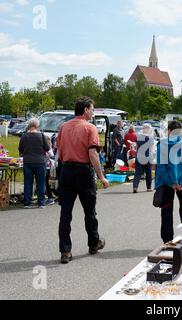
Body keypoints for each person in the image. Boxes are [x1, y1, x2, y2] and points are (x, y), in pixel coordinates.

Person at [56, 96, 110, 264]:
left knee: (65, 214)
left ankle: (65, 251)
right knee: (90, 211)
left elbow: (59, 152)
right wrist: (101, 176)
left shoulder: (63, 127)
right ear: (86, 110)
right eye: (92, 109)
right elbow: (92, 154)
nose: (93, 113)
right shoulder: (90, 128)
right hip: (83, 171)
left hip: (66, 170)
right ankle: (94, 243)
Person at [155, 120, 182, 243]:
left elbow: (161, 168)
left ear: (168, 131)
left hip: (167, 183)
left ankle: (168, 241)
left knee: (167, 211)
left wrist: (172, 183)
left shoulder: (162, 145)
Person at [18, 118, 50, 209]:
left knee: (28, 182)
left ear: (29, 125)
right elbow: (47, 148)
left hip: (28, 161)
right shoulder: (42, 135)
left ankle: (27, 203)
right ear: (37, 125)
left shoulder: (24, 136)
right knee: (40, 182)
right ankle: (41, 203)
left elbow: (20, 148)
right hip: (40, 162)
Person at [133, 123, 155, 193]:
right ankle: (148, 188)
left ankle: (135, 187)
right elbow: (152, 149)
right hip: (147, 157)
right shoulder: (150, 138)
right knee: (148, 173)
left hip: (139, 157)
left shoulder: (138, 136)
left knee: (137, 173)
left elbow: (136, 146)